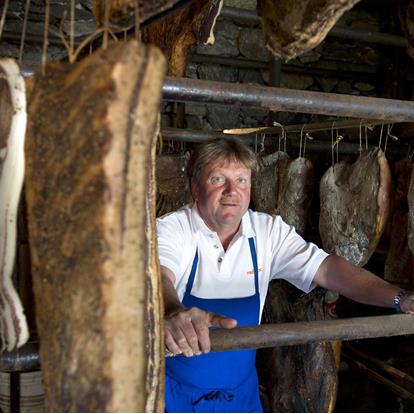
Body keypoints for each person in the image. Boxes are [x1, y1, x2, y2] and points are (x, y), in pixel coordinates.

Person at [156, 138, 414, 413]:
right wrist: (172, 309)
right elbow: (159, 275)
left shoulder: (267, 231)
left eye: (242, 180)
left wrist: (399, 299)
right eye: (218, 179)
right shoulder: (173, 228)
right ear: (195, 188)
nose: (232, 190)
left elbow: (327, 269)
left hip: (240, 397)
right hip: (175, 396)